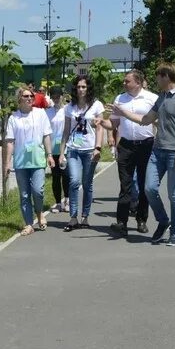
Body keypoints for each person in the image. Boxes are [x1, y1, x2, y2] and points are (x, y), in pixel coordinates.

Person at [112, 63, 175, 246]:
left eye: (158, 76)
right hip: (157, 151)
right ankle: (163, 220)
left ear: (166, 76)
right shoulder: (161, 98)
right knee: (149, 189)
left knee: (174, 195)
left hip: (174, 153)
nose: (155, 80)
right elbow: (146, 119)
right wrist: (122, 112)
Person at [99, 70, 158, 237]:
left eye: (127, 81)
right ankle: (122, 222)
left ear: (138, 83)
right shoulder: (120, 99)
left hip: (145, 145)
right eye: (124, 81)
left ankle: (141, 220)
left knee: (144, 184)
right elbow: (114, 123)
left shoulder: (151, 98)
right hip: (125, 146)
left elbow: (158, 120)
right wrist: (102, 122)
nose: (124, 84)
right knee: (125, 186)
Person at [4, 87, 56, 236]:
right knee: (25, 194)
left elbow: (46, 135)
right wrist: (7, 163)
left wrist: (50, 155)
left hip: (37, 159)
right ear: (19, 99)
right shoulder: (14, 118)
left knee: (38, 191)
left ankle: (39, 213)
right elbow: (10, 142)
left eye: (31, 96)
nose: (29, 98)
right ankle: (28, 223)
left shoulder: (40, 114)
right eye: (26, 96)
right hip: (21, 161)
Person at [58, 75, 104, 232]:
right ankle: (73, 217)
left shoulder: (97, 105)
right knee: (74, 181)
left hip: (90, 149)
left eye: (84, 87)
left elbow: (100, 127)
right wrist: (62, 152)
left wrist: (98, 147)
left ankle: (85, 216)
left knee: (87, 183)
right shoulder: (69, 107)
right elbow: (65, 130)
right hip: (73, 149)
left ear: (88, 88)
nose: (81, 89)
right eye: (78, 87)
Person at [45, 87, 69, 213]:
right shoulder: (48, 112)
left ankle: (67, 200)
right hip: (53, 148)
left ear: (62, 96)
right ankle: (58, 202)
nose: (55, 99)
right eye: (53, 97)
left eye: (57, 97)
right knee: (55, 176)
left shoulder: (67, 110)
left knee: (66, 175)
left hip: (66, 148)